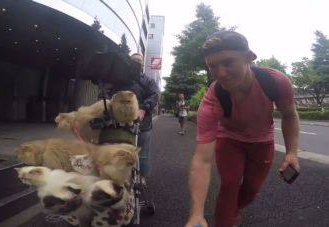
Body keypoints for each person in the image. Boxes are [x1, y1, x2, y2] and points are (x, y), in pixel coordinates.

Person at [185, 31, 300, 227]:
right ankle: (226, 219)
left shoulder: (275, 82)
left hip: (262, 141)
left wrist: (292, 152)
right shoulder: (212, 99)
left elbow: (289, 115)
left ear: (249, 58)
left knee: (252, 189)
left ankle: (231, 211)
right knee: (229, 186)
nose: (220, 73)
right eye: (213, 66)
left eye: (228, 62)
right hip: (229, 140)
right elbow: (202, 159)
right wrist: (196, 213)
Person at [129, 53, 160, 185]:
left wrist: (143, 108)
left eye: (139, 61)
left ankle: (142, 176)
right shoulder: (123, 80)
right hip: (124, 123)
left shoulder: (148, 81)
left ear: (143, 64)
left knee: (143, 152)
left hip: (144, 122)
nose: (137, 62)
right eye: (134, 60)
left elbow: (155, 95)